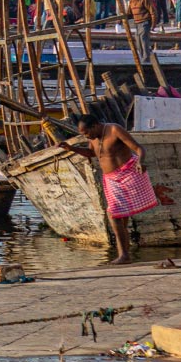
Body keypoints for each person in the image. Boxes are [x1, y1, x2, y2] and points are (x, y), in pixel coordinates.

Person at [65, 112, 151, 263]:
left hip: (127, 175)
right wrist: (71, 148)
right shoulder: (94, 138)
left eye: (87, 133)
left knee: (114, 215)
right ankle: (125, 255)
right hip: (111, 180)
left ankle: (123, 255)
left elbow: (138, 149)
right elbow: (92, 153)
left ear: (95, 125)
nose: (87, 137)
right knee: (121, 218)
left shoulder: (114, 130)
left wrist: (140, 162)